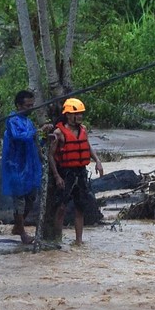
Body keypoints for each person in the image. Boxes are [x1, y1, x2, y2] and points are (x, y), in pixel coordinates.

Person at [49, 97, 104, 246]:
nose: (79, 116)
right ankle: (57, 240)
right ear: (68, 115)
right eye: (76, 113)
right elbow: (51, 156)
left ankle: (79, 241)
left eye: (81, 113)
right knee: (61, 207)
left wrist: (98, 161)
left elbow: (87, 146)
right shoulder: (59, 132)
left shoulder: (83, 129)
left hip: (80, 173)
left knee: (80, 207)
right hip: (66, 173)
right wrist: (57, 176)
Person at [1, 89, 46, 244]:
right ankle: (22, 234)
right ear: (19, 106)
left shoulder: (28, 122)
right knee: (19, 201)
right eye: (28, 105)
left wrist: (44, 137)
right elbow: (19, 137)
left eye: (32, 105)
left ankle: (18, 226)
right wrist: (38, 131)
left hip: (29, 167)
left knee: (31, 198)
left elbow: (35, 142)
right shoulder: (12, 120)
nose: (31, 108)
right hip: (14, 166)